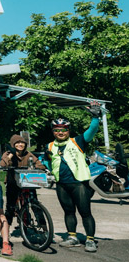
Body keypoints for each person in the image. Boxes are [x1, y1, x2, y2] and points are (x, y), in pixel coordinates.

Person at [44, 102, 102, 252]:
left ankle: (90, 240)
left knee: (85, 212)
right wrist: (50, 170)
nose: (60, 133)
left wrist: (96, 117)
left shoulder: (78, 142)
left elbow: (92, 130)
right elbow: (46, 161)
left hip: (79, 184)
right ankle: (72, 237)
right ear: (53, 132)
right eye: (57, 130)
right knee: (68, 212)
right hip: (61, 184)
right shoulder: (50, 146)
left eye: (63, 130)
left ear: (68, 131)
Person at [0, 134, 45, 228]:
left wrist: (36, 167)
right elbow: (2, 164)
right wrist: (10, 156)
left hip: (27, 181)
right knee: (10, 206)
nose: (20, 144)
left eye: (22, 143)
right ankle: (6, 230)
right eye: (17, 143)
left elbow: (39, 164)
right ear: (13, 144)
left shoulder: (28, 154)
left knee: (35, 202)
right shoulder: (8, 153)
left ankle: (43, 226)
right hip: (13, 181)